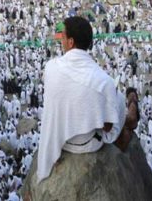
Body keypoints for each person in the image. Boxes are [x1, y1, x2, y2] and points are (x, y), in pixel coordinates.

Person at [37, 16, 123, 183]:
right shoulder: (103, 81)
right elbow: (108, 127)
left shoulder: (51, 67)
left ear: (70, 42)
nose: (60, 41)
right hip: (89, 143)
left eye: (62, 37)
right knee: (118, 97)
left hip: (61, 141)